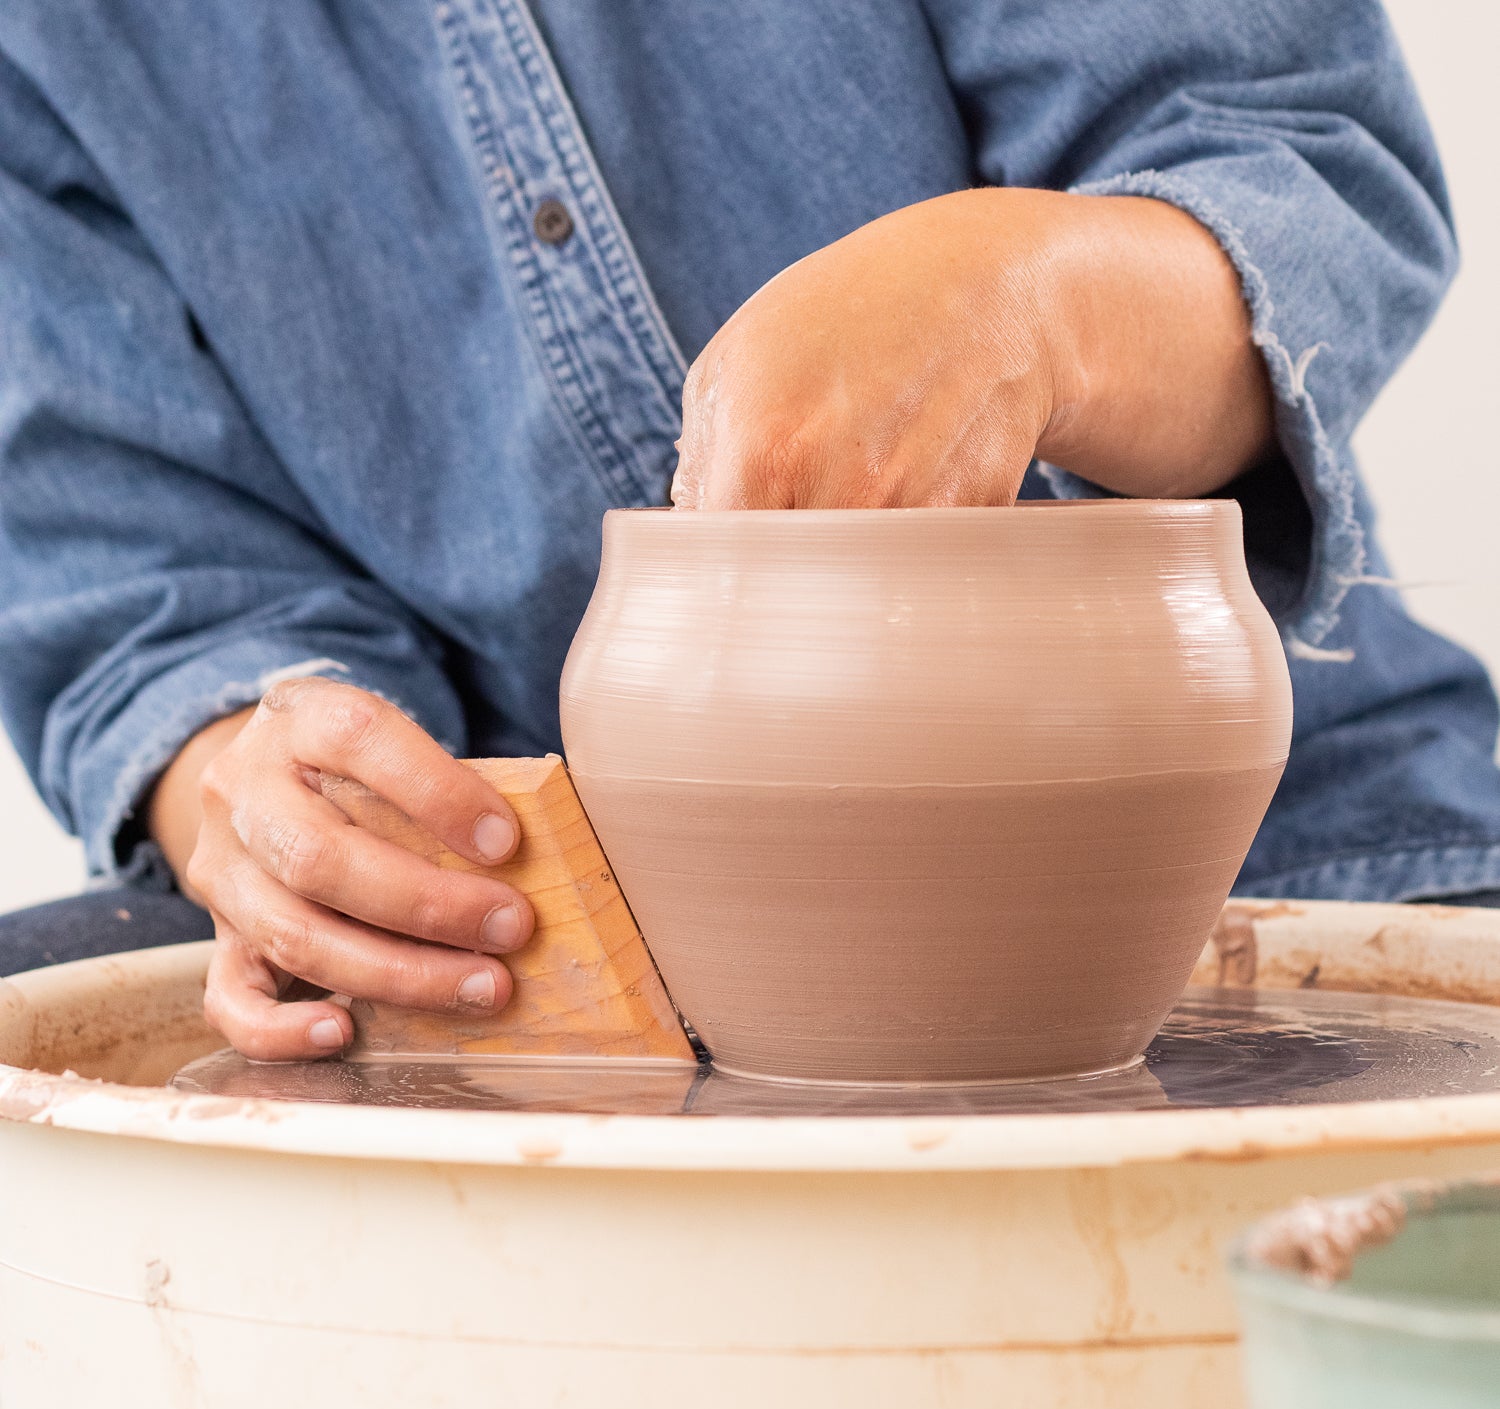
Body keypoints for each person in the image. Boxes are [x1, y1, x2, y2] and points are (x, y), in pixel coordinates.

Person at [3, 1, 1498, 1062]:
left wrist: (1034, 298)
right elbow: (131, 573)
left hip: (1256, 852)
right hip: (554, 946)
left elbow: (1305, 167)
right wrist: (263, 805)